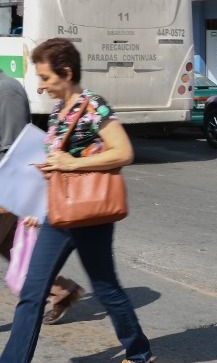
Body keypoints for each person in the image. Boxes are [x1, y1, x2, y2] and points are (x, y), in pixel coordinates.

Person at [1, 38, 154, 363]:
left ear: (67, 72)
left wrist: (72, 164)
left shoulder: (94, 106)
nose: (42, 86)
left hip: (90, 216)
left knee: (106, 289)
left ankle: (139, 351)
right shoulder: (59, 111)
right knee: (32, 293)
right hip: (56, 214)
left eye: (46, 77)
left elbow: (124, 152)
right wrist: (37, 199)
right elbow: (58, 161)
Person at [0, 68, 84, 325]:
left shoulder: (6, 90)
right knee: (10, 246)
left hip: (6, 186)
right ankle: (60, 289)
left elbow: (15, 147)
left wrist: (17, 198)